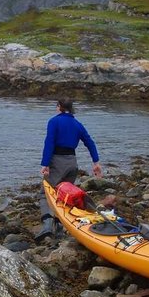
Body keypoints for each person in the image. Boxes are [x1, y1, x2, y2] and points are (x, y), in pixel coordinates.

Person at [36, 98, 102, 241]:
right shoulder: (77, 124)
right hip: (72, 162)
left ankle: (47, 225)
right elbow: (90, 142)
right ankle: (60, 228)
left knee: (46, 193)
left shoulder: (54, 121)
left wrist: (45, 164)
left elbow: (49, 142)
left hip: (57, 161)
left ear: (59, 107)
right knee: (65, 196)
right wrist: (96, 162)